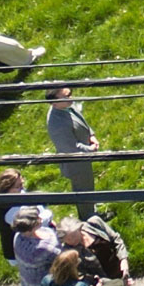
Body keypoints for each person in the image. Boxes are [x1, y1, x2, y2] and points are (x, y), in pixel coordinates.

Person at [47, 87, 100, 216]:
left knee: (88, 187)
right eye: (65, 97)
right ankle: (89, 218)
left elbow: (80, 119)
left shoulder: (66, 105)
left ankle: (91, 208)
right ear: (54, 103)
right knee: (83, 190)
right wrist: (90, 149)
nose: (70, 98)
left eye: (69, 94)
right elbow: (71, 148)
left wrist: (91, 135)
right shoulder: (56, 124)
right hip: (76, 163)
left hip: (84, 156)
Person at [13, 206, 63, 286]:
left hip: (29, 277)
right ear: (30, 227)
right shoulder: (40, 248)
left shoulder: (18, 236)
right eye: (37, 219)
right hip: (43, 281)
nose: (40, 219)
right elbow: (61, 256)